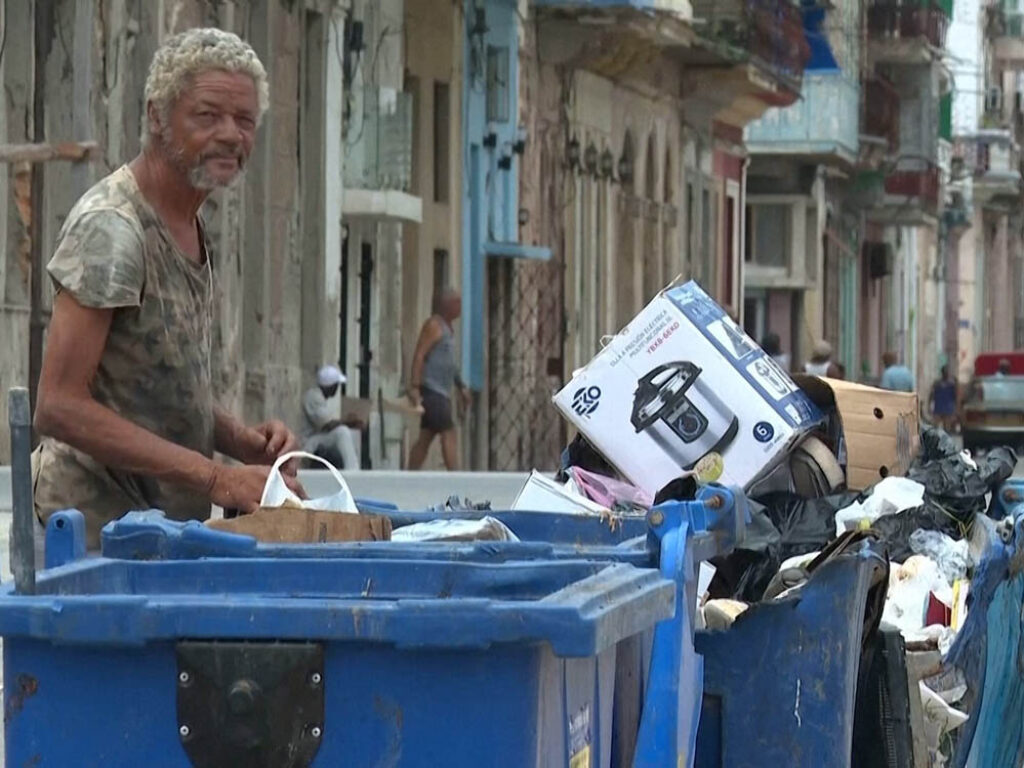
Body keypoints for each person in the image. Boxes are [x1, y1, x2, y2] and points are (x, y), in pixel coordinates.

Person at [32, 28, 303, 549]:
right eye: (207, 115)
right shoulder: (113, 227)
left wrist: (240, 441)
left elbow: (149, 382)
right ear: (157, 116)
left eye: (245, 120)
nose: (231, 135)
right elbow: (59, 406)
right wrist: (216, 477)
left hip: (157, 538)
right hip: (89, 542)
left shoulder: (190, 222)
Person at [407, 289, 471, 470]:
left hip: (441, 391)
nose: (460, 308)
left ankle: (410, 473)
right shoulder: (435, 326)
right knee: (448, 432)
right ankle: (454, 475)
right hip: (432, 390)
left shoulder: (448, 329)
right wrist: (415, 386)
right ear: (447, 305)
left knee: (426, 436)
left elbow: (450, 363)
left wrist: (461, 386)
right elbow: (420, 354)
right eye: (457, 303)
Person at [302, 365, 365, 469]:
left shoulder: (319, 397)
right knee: (342, 431)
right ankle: (352, 470)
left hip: (318, 437)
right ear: (331, 386)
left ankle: (353, 467)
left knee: (350, 433)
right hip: (309, 442)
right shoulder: (314, 397)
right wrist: (349, 423)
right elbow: (328, 425)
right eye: (336, 385)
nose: (337, 388)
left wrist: (351, 424)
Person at [929, 365, 958, 432]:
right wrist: (929, 405)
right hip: (940, 408)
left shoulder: (951, 384)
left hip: (946, 409)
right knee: (936, 428)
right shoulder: (938, 383)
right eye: (945, 372)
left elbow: (955, 397)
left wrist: (955, 409)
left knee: (946, 428)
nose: (946, 374)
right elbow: (932, 394)